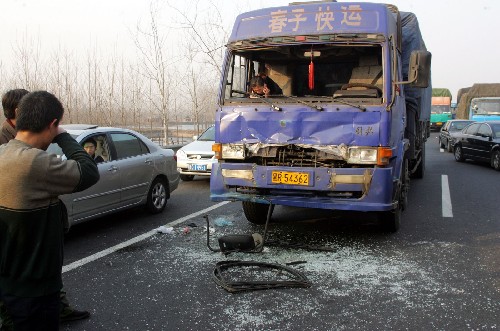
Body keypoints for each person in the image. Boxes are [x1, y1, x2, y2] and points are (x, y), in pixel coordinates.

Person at [0, 91, 100, 330]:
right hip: (35, 291)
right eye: (57, 126)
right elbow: (89, 171)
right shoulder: (35, 163)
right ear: (53, 124)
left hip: (9, 283)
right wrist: (64, 137)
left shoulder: (3, 153)